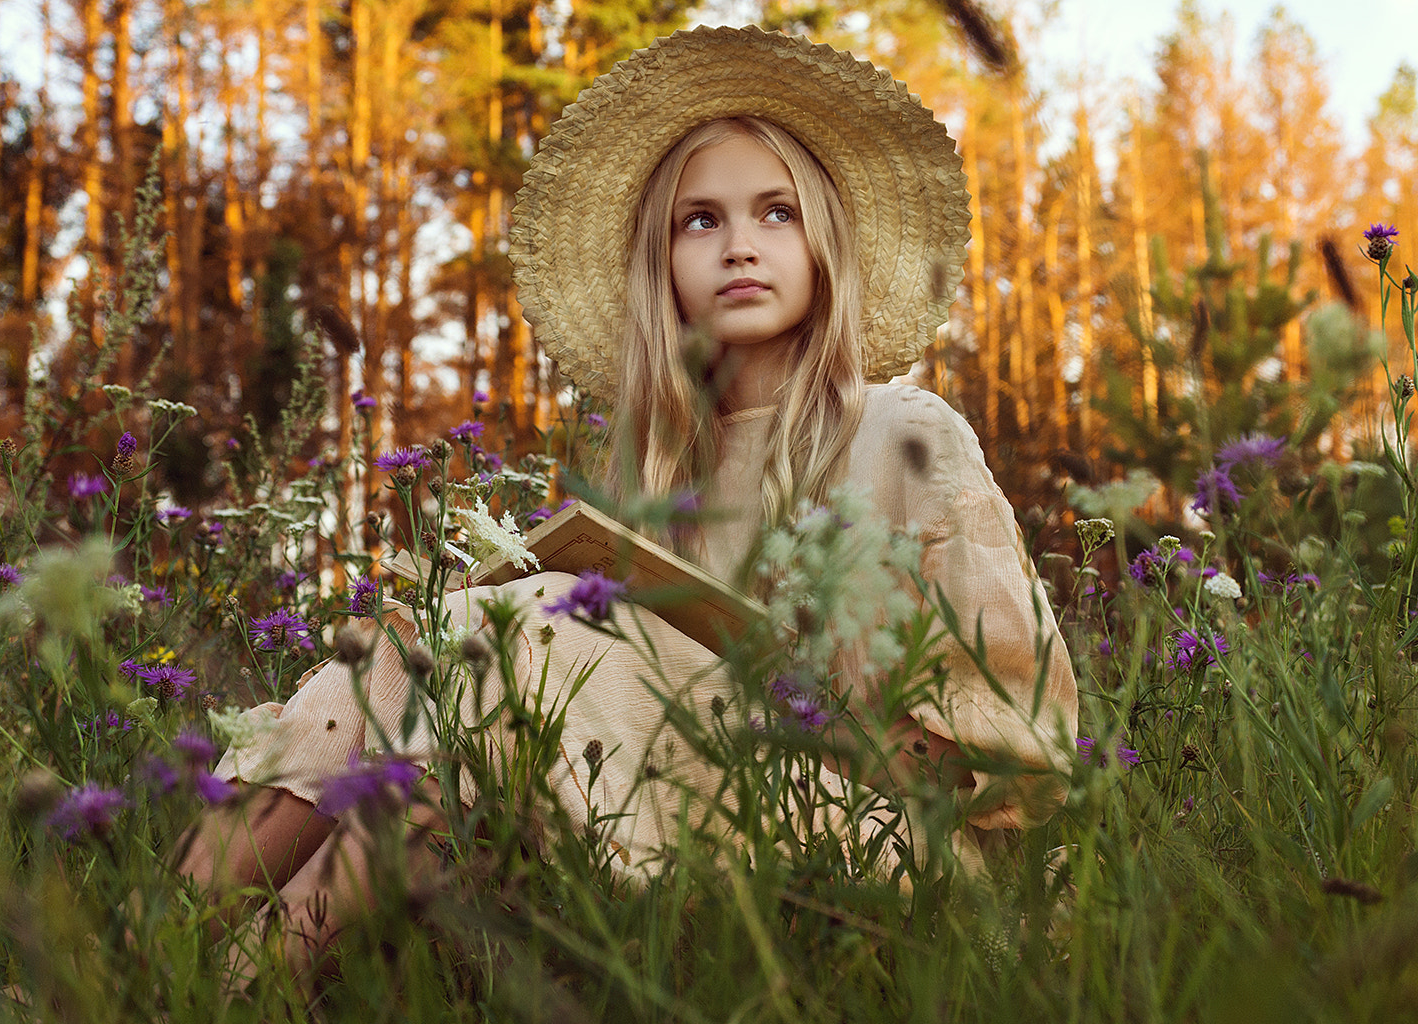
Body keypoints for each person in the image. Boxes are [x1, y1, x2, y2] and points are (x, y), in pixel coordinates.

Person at [181, 25, 1078, 978]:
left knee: (524, 638)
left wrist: (793, 702)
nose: (740, 246)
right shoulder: (664, 480)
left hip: (895, 856)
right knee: (408, 652)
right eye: (701, 220)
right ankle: (154, 960)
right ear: (664, 265)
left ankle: (237, 987)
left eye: (776, 213)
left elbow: (1015, 766)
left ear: (824, 243)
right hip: (689, 812)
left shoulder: (905, 432)